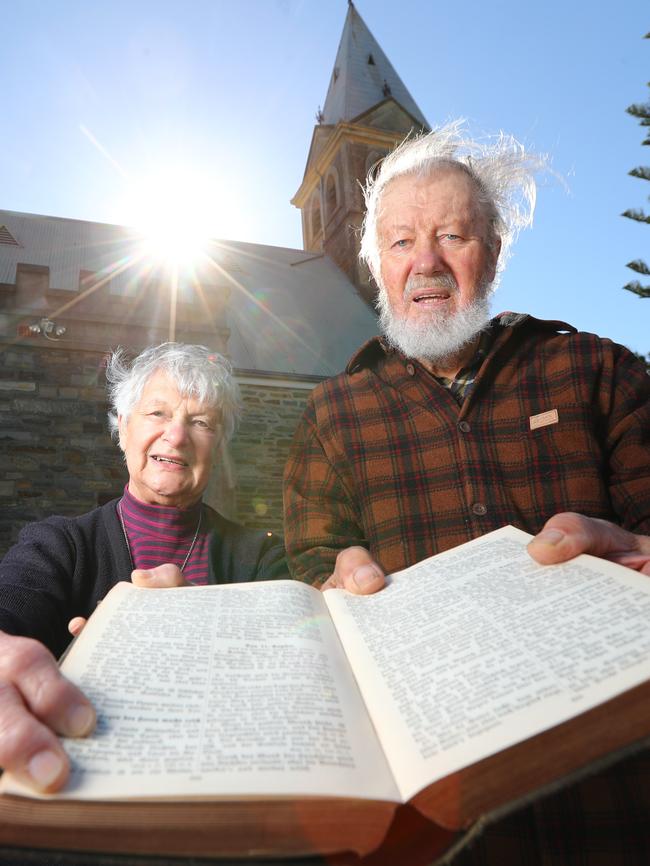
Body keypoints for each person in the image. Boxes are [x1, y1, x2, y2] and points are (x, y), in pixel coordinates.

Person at [283, 122, 650, 863]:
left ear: (494, 252)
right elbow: (305, 570)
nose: (427, 263)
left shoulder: (597, 372)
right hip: (433, 830)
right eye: (400, 242)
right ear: (375, 266)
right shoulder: (332, 415)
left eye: (453, 235)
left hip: (617, 806)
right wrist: (329, 584)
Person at [0, 342, 286, 794]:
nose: (176, 436)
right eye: (157, 414)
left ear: (220, 447)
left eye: (201, 423)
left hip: (219, 787)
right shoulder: (57, 546)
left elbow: (284, 681)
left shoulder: (261, 558)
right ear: (122, 429)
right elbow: (9, 613)